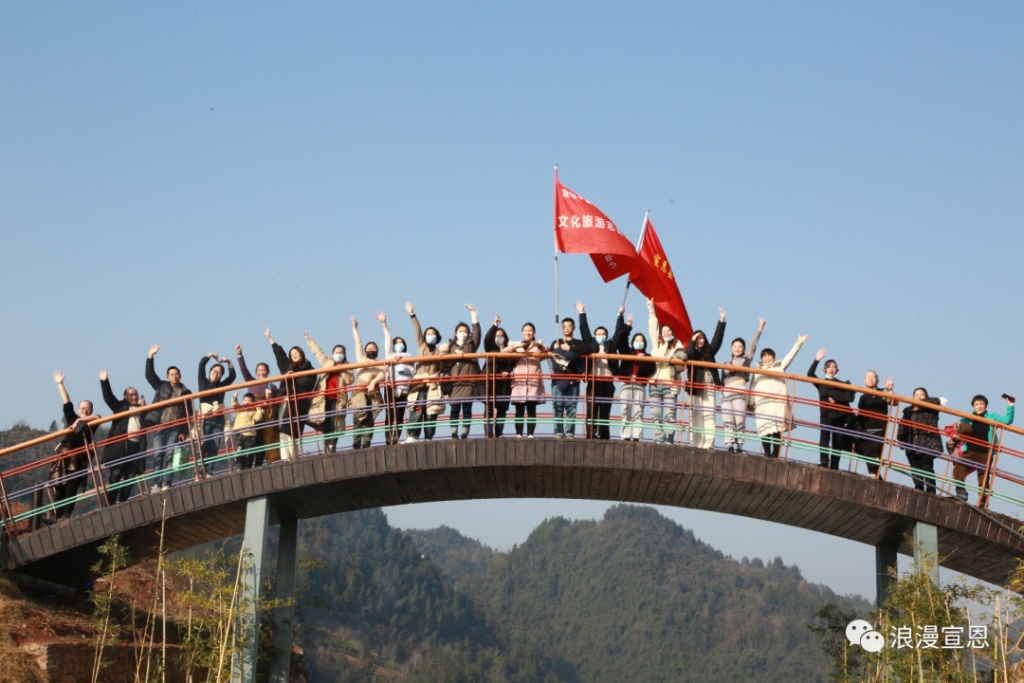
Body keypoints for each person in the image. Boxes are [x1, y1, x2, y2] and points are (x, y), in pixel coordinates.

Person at [50, 371, 99, 519]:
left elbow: (98, 417)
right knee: (59, 487)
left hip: (79, 458)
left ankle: (66, 514)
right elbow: (67, 401)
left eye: (88, 408)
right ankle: (57, 516)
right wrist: (60, 384)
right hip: (63, 456)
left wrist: (80, 422)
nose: (85, 410)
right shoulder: (72, 417)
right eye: (82, 408)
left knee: (72, 486)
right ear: (78, 410)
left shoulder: (93, 423)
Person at [144, 345, 193, 491]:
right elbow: (150, 376)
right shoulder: (162, 386)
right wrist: (150, 356)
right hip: (160, 425)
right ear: (167, 377)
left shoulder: (186, 392)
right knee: (158, 455)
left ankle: (167, 482)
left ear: (181, 376)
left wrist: (185, 431)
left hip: (175, 428)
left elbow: (189, 414)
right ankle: (156, 483)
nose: (174, 376)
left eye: (177, 374)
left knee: (170, 455)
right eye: (172, 374)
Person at [751, 335, 809, 458]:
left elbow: (790, 357)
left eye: (769, 355)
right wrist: (750, 403)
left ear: (774, 357)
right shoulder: (757, 371)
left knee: (777, 429)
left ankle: (775, 453)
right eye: (764, 356)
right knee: (764, 428)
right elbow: (752, 387)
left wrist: (798, 343)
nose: (767, 358)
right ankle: (766, 453)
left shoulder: (779, 367)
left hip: (777, 403)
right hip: (762, 403)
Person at [951, 394, 1014, 504]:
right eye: (977, 404)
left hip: (986, 453)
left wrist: (1010, 405)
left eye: (982, 404)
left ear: (985, 406)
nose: (979, 406)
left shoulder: (992, 417)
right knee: (958, 469)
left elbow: (1007, 420)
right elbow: (958, 428)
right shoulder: (967, 418)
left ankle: (983, 501)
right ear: (973, 407)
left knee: (983, 478)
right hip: (969, 450)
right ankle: (961, 492)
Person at [266, 329, 317, 461]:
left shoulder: (309, 368)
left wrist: (293, 377)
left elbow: (307, 384)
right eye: (292, 353)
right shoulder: (287, 366)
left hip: (298, 404)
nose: (294, 355)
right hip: (284, 401)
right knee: (282, 430)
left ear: (301, 354)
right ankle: (285, 459)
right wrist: (270, 339)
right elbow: (279, 354)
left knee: (292, 431)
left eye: (296, 353)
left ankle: (294, 457)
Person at [576, 301, 624, 440]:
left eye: (603, 333)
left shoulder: (611, 344)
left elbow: (618, 333)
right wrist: (581, 312)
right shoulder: (590, 343)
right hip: (593, 380)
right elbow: (584, 329)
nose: (601, 335)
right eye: (598, 333)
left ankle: (604, 436)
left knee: (604, 411)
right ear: (595, 335)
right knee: (591, 410)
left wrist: (619, 316)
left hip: (608, 381)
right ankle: (591, 434)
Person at [98, 370, 146, 503]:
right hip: (121, 445)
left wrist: (145, 409)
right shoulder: (120, 407)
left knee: (130, 476)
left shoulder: (142, 409)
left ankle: (123, 500)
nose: (134, 396)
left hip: (136, 445)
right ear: (125, 397)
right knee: (116, 474)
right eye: (131, 394)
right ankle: (111, 502)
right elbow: (108, 398)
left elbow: (149, 424)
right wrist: (104, 381)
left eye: (136, 394)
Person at [646, 298, 688, 444]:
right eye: (663, 331)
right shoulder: (657, 343)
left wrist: (671, 357)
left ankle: (669, 440)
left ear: (672, 332)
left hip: (670, 383)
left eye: (668, 331)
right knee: (655, 414)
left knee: (670, 414)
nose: (665, 333)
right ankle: (659, 440)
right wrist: (651, 311)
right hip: (655, 383)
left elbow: (683, 357)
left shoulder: (677, 345)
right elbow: (653, 328)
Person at [403, 301, 446, 443]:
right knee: (416, 408)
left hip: (433, 384)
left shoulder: (439, 351)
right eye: (428, 334)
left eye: (432, 334)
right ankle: (412, 436)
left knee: (431, 412)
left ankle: (428, 437)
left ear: (437, 337)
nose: (430, 336)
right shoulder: (421, 344)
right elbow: (417, 329)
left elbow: (441, 367)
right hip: (420, 382)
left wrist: (441, 358)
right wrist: (412, 314)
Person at [303, 331, 353, 453]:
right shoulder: (327, 362)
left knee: (335, 422)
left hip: (338, 398)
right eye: (337, 352)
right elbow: (318, 353)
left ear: (345, 354)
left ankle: (332, 446)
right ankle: (327, 444)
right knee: (324, 421)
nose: (339, 354)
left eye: (341, 353)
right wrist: (310, 341)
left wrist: (342, 369)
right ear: (333, 353)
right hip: (323, 398)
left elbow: (350, 380)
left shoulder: (349, 366)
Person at [720, 318, 764, 452]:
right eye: (734, 346)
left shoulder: (746, 359)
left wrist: (759, 329)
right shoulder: (726, 362)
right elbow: (722, 379)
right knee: (728, 419)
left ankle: (739, 443)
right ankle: (729, 444)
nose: (737, 348)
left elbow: (752, 346)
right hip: (726, 391)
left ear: (743, 348)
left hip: (739, 388)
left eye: (740, 346)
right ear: (731, 348)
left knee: (740, 418)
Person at [807, 349, 855, 469]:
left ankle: (834, 465)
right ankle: (824, 461)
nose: (831, 368)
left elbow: (849, 398)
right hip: (826, 414)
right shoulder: (821, 383)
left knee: (837, 441)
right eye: (828, 366)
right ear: (824, 370)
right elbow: (810, 374)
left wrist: (835, 399)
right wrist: (817, 360)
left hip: (839, 415)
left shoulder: (843, 384)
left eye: (834, 366)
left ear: (837, 370)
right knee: (824, 437)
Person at [686, 309, 726, 449]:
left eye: (701, 338)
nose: (700, 341)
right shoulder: (691, 353)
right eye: (697, 339)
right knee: (695, 415)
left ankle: (708, 444)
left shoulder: (709, 351)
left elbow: (717, 339)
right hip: (696, 387)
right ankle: (696, 443)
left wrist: (721, 321)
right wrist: (692, 340)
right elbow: (688, 353)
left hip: (709, 386)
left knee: (709, 415)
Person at [235, 343, 280, 465]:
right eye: (259, 370)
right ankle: (247, 465)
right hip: (254, 417)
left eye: (264, 370)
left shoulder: (273, 386)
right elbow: (243, 370)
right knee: (253, 441)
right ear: (256, 372)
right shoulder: (251, 382)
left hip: (268, 417)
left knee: (264, 442)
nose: (261, 372)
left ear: (267, 372)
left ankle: (260, 464)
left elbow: (278, 401)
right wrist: (239, 355)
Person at [445, 304, 482, 440]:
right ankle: (454, 434)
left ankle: (465, 433)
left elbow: (477, 332)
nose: (463, 333)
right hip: (454, 383)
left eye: (465, 331)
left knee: (467, 410)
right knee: (454, 410)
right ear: (455, 333)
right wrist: (454, 352)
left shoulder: (472, 344)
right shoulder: (449, 346)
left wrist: (473, 314)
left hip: (468, 382)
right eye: (460, 331)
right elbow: (445, 364)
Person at [896, 388, 943, 494]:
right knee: (915, 465)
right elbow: (902, 424)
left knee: (927, 466)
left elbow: (938, 401)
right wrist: (900, 438)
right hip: (911, 441)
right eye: (916, 395)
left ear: (926, 396)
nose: (919, 396)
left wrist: (924, 401)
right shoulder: (908, 410)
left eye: (922, 394)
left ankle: (931, 489)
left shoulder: (931, 407)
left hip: (928, 441)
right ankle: (919, 486)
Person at [549, 316, 590, 438]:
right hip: (558, 380)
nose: (567, 328)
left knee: (571, 407)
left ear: (574, 328)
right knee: (557, 407)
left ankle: (569, 432)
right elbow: (556, 358)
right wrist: (572, 355)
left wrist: (568, 349)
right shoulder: (556, 342)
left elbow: (587, 349)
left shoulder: (578, 343)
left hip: (573, 380)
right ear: (561, 329)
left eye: (569, 326)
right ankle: (558, 431)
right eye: (565, 326)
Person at [615, 314, 654, 441]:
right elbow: (621, 341)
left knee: (638, 410)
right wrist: (628, 326)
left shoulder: (648, 356)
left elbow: (651, 370)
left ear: (644, 343)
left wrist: (644, 361)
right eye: (636, 340)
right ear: (633, 342)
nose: (638, 342)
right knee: (625, 409)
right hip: (626, 382)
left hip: (639, 384)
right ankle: (625, 435)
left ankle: (637, 436)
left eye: (641, 341)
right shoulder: (627, 352)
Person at [196, 353, 237, 473]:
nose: (216, 373)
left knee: (214, 447)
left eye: (219, 372)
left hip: (218, 419)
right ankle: (199, 472)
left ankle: (209, 471)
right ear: (210, 372)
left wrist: (229, 362)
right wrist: (209, 356)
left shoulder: (222, 385)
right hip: (206, 418)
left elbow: (232, 376)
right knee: (204, 445)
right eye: (214, 370)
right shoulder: (203, 382)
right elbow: (201, 365)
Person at [378, 312, 415, 445]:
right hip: (390, 387)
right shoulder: (390, 355)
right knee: (389, 415)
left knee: (399, 415)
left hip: (403, 388)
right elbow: (387, 339)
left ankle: (396, 438)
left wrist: (402, 359)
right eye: (397, 343)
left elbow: (411, 370)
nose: (399, 345)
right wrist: (384, 324)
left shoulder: (409, 355)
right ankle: (388, 439)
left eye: (401, 343)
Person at [350, 317, 385, 449]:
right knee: (358, 416)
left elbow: (383, 374)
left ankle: (367, 442)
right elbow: (358, 343)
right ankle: (356, 442)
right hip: (360, 388)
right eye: (369, 348)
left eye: (373, 348)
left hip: (373, 390)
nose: (371, 349)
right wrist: (355, 328)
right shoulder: (361, 358)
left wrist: (374, 382)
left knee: (370, 419)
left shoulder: (380, 363)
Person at [507, 322, 547, 438]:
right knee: (519, 410)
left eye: (530, 330)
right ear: (522, 332)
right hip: (519, 383)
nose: (528, 332)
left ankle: (530, 434)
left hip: (533, 383)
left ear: (534, 332)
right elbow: (504, 352)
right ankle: (519, 433)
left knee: (531, 410)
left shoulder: (537, 347)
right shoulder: (517, 345)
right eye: (525, 330)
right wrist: (515, 346)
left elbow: (547, 352)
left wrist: (539, 346)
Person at [852, 371, 895, 477]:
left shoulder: (883, 392)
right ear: (864, 380)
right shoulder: (862, 397)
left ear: (877, 380)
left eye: (873, 377)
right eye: (868, 377)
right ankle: (876, 476)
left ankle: (873, 474)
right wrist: (858, 425)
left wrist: (889, 390)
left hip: (879, 428)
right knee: (867, 454)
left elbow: (893, 402)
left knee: (876, 452)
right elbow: (860, 413)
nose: (871, 379)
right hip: (865, 429)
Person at [483, 314, 515, 438]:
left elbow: (511, 363)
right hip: (490, 381)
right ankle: (489, 433)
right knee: (489, 409)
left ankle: (498, 432)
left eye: (501, 335)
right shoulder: (490, 349)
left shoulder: (510, 349)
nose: (499, 337)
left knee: (502, 409)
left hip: (504, 383)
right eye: (496, 335)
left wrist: (507, 370)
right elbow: (486, 339)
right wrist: (495, 325)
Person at [230, 391, 266, 469]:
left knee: (249, 453)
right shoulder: (240, 409)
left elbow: (258, 418)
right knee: (239, 451)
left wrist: (259, 408)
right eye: (245, 400)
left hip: (251, 435)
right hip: (240, 434)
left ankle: (247, 467)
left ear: (253, 403)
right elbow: (235, 405)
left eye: (249, 401)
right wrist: (235, 397)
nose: (246, 403)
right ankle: (239, 467)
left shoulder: (254, 411)